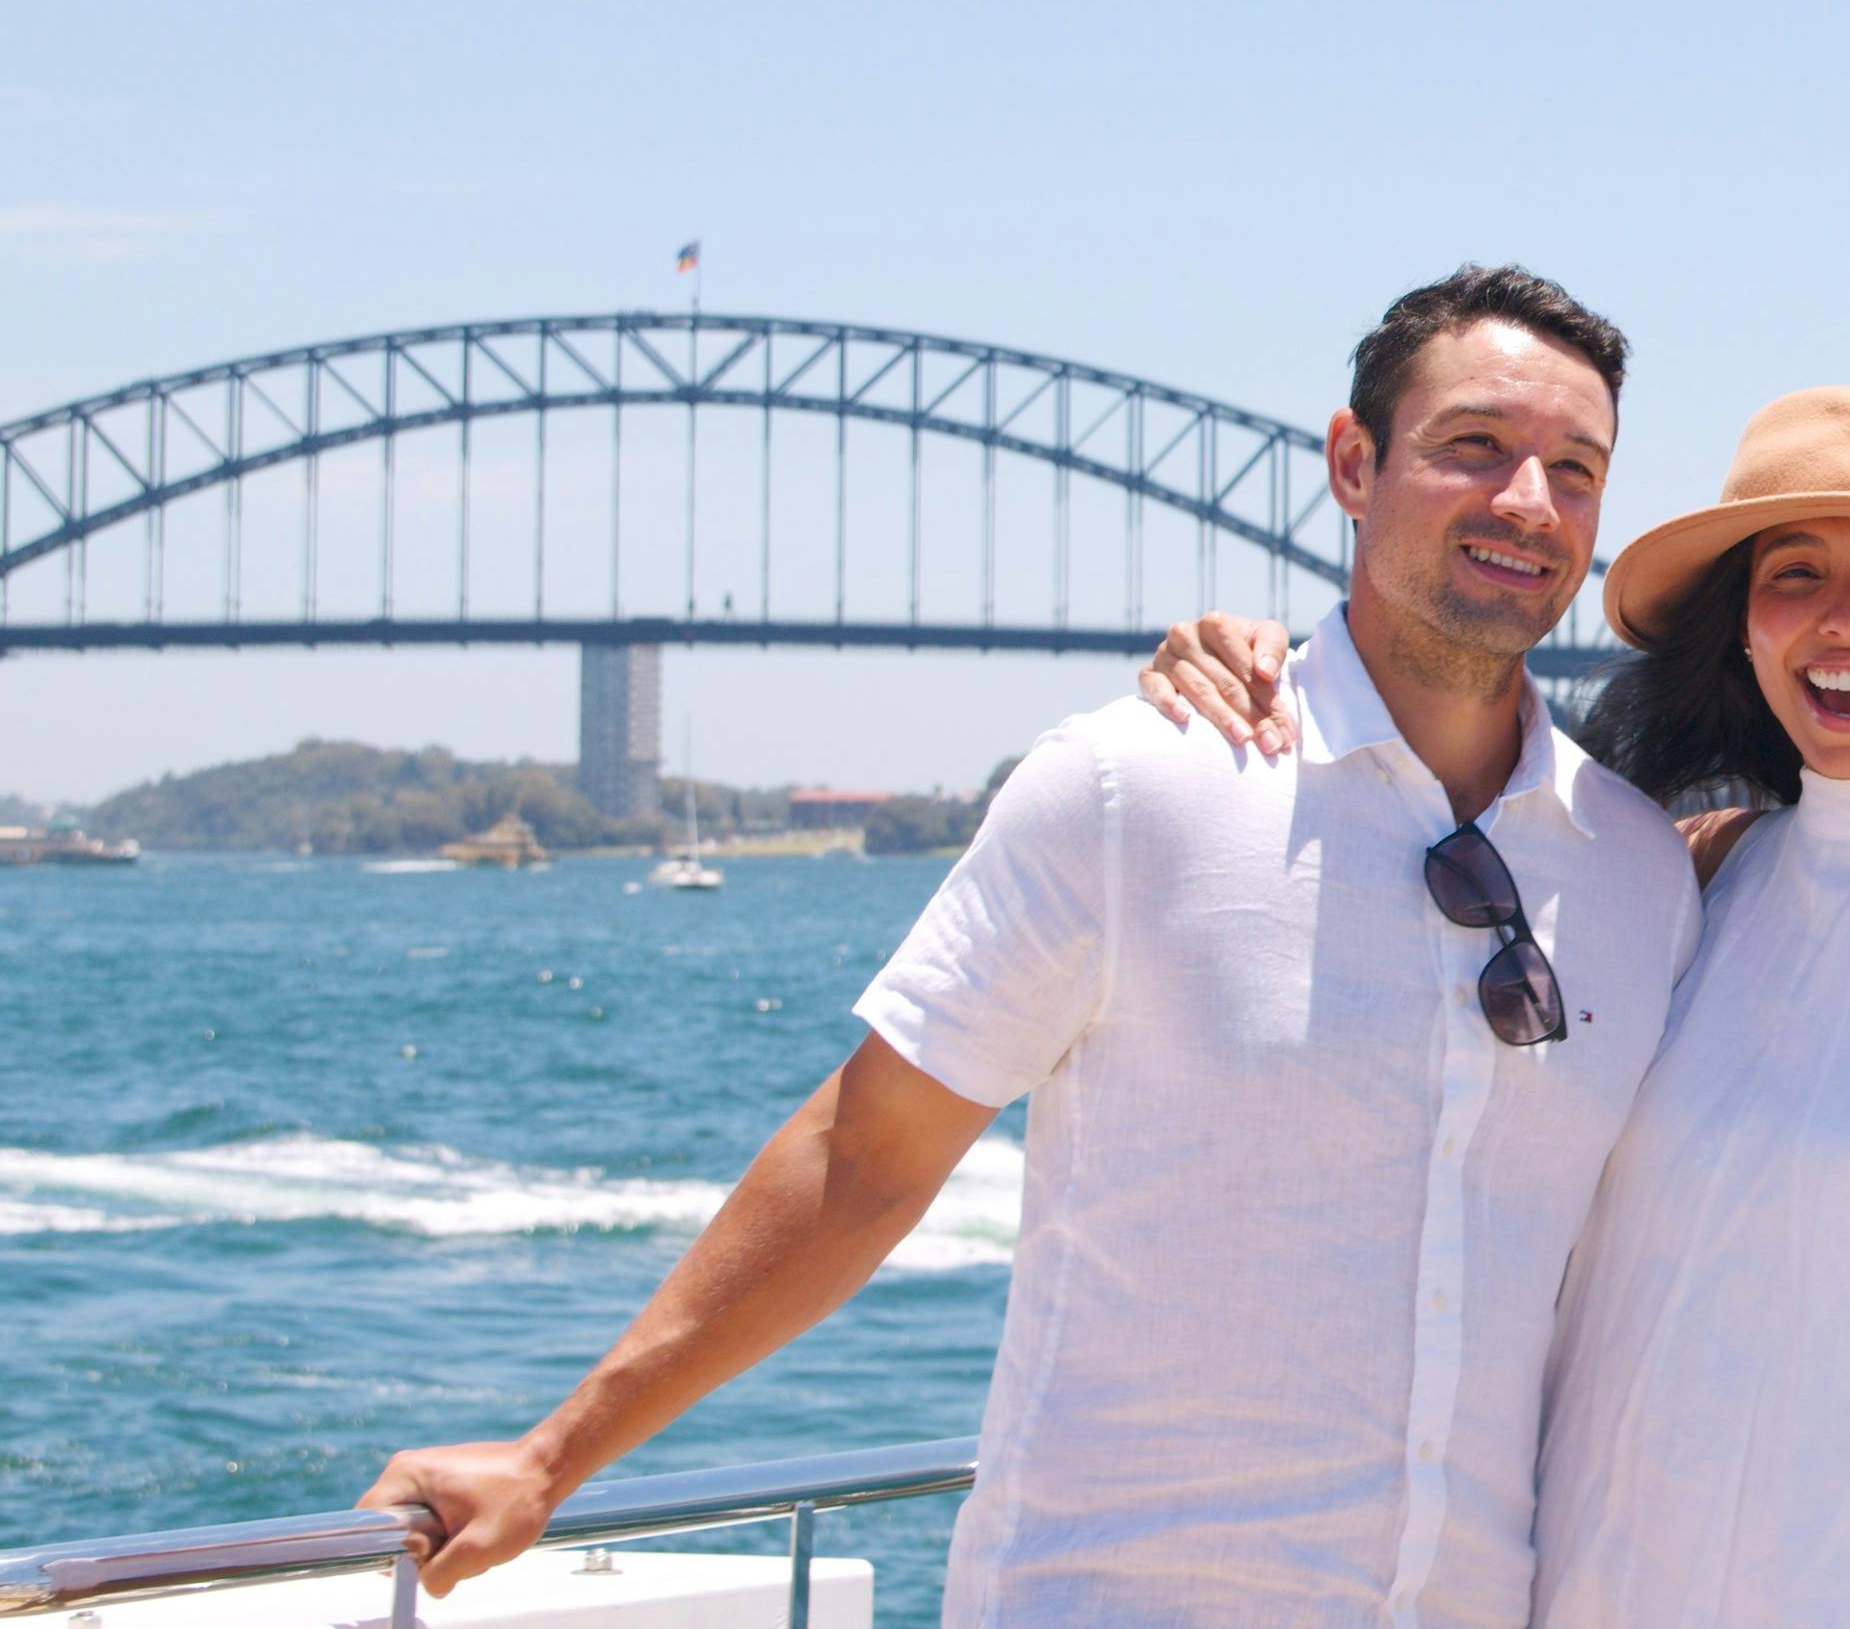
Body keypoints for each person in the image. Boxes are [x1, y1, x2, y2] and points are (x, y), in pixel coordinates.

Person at [359, 266, 1710, 1629]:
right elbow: (864, 1156)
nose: (1527, 503)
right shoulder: (1134, 790)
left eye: (1574, 470)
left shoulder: (1642, 877)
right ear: (1352, 464)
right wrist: (550, 1458)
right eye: (1471, 448)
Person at [1145, 371, 1850, 1626]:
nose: (1845, 619)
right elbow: (1401, 875)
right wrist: (1262, 669)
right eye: (1793, 575)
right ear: (1739, 627)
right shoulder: (1694, 872)